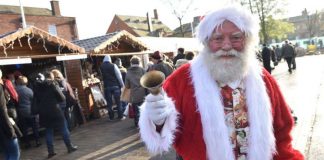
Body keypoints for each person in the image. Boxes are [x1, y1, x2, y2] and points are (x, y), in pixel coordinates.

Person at [138, 5, 304, 160]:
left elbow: (282, 135)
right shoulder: (182, 80)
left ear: (247, 40)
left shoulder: (263, 79)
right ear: (207, 42)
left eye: (236, 37)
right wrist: (156, 121)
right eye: (217, 38)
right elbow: (165, 134)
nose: (226, 45)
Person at [33, 71, 77, 158]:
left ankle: (51, 151)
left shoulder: (37, 87)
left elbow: (35, 100)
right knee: (63, 128)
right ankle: (69, 146)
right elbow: (62, 97)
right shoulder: (52, 84)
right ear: (50, 77)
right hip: (55, 110)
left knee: (48, 131)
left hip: (44, 113)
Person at [0, 69, 21, 160]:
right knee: (14, 154)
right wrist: (10, 130)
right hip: (4, 125)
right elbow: (2, 110)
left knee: (7, 153)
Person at [15, 75, 41, 148]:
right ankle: (37, 141)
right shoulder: (29, 90)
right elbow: (33, 99)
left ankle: (27, 143)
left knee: (24, 128)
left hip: (20, 111)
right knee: (34, 126)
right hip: (30, 110)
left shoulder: (15, 90)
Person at [100, 55, 124, 120]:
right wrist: (122, 85)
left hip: (106, 86)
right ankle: (120, 116)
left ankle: (111, 117)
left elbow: (101, 76)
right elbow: (119, 76)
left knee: (109, 103)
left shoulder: (101, 66)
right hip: (115, 85)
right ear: (109, 59)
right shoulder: (113, 65)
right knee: (118, 102)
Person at [124, 56, 147, 127]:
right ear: (139, 62)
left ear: (131, 63)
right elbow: (147, 81)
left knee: (136, 110)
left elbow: (127, 86)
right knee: (143, 109)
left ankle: (137, 123)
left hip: (133, 94)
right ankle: (145, 123)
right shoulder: (142, 70)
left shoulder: (128, 72)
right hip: (143, 93)